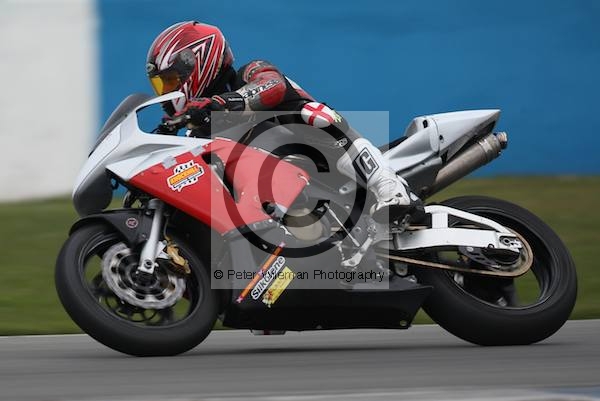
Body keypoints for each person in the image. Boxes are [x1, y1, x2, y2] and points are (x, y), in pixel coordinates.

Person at [145, 21, 422, 223]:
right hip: (284, 196)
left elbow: (272, 85)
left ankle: (389, 186)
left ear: (198, 63)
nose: (167, 92)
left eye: (171, 80)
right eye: (162, 84)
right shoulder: (200, 131)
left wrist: (221, 103)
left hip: (323, 155)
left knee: (316, 115)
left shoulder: (250, 73)